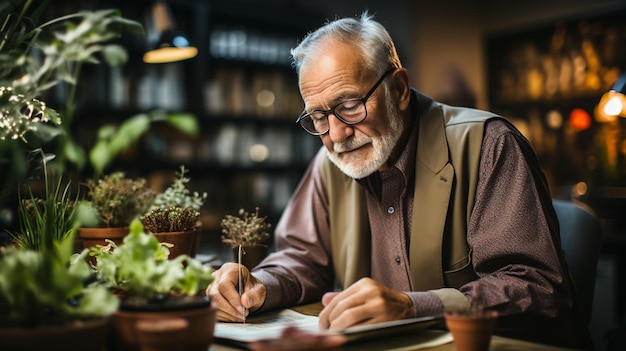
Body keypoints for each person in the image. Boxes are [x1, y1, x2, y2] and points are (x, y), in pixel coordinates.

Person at [207, 11, 593, 350]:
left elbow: (539, 289)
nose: (336, 135)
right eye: (319, 116)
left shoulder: (488, 145)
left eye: (349, 106)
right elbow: (302, 260)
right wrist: (259, 286)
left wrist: (412, 307)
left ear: (399, 88)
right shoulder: (329, 163)